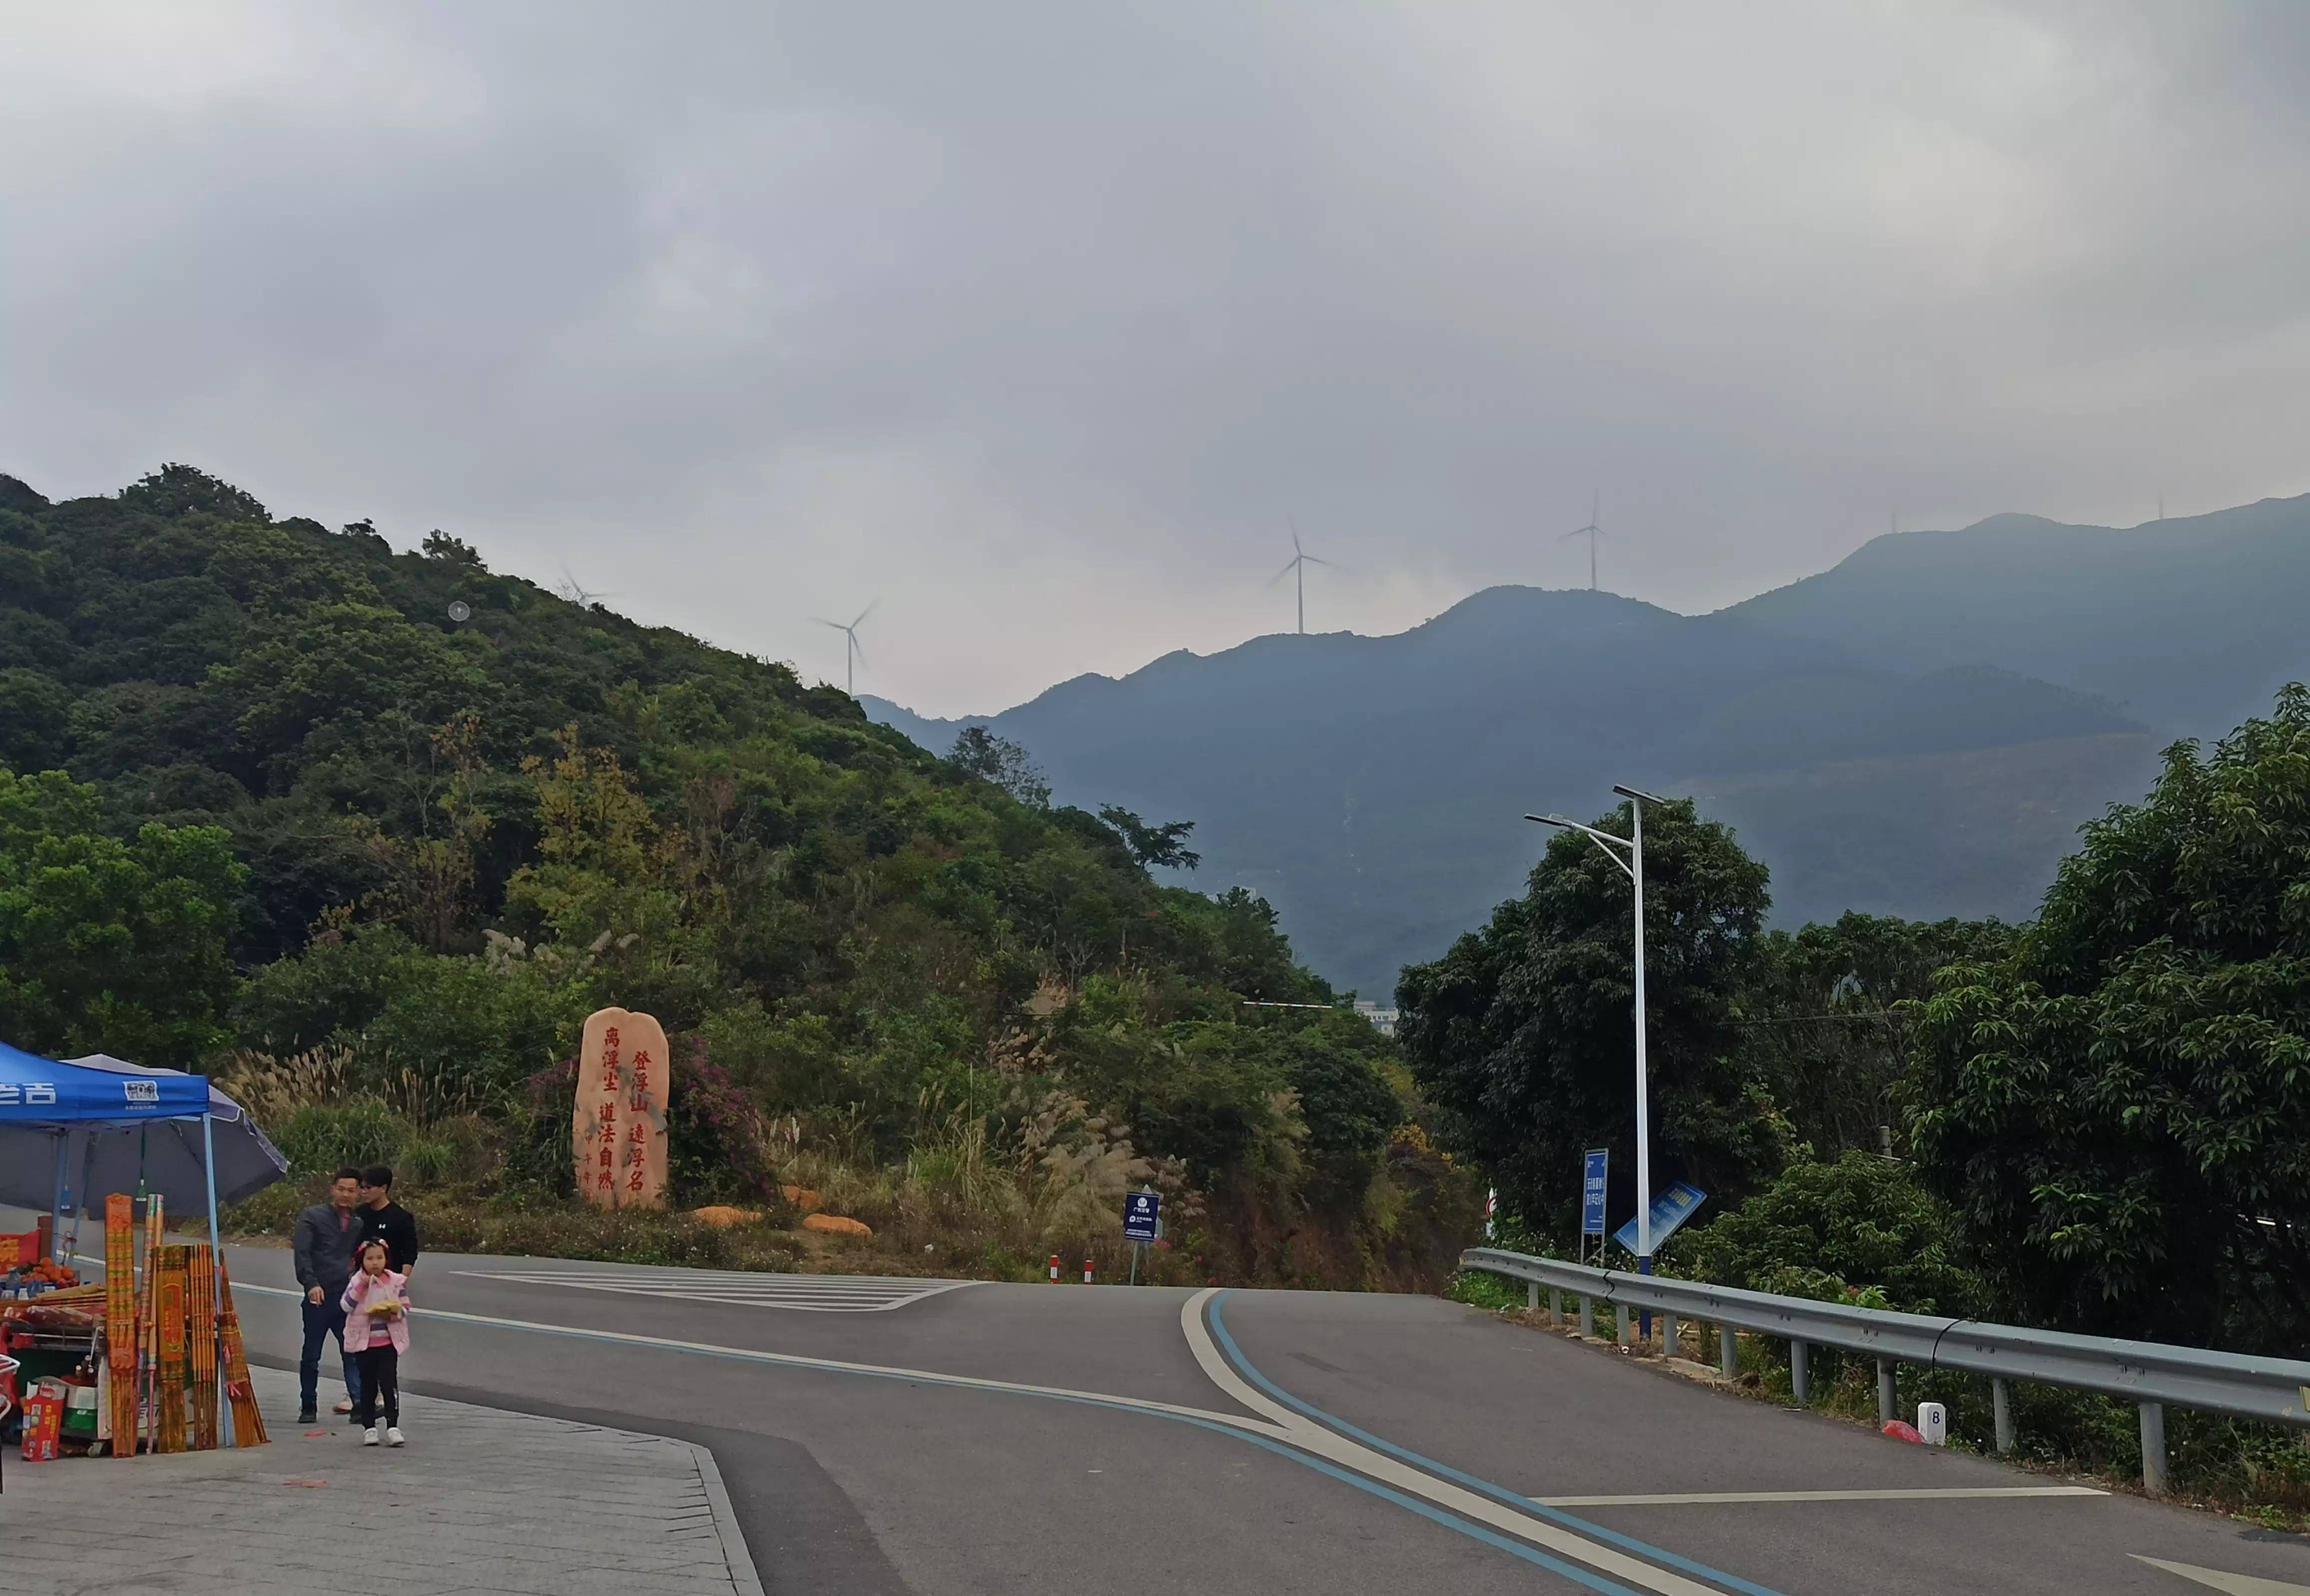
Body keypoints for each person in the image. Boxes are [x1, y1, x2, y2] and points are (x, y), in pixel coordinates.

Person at [291, 1167, 366, 1425]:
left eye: (352, 1190)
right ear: (333, 1189)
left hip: (345, 1297)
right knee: (312, 1353)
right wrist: (310, 1283)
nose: (346, 1195)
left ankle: (359, 1402)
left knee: (352, 1351)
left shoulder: (358, 1224)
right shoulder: (313, 1217)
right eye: (341, 1189)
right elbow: (303, 1253)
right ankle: (308, 1404)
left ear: (358, 1193)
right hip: (318, 1296)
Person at [340, 1238, 409, 1447]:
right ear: (362, 1261)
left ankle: (393, 1426)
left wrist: (394, 1314)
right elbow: (346, 1306)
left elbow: (405, 1306)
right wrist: (361, 1285)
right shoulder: (356, 1282)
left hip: (388, 1343)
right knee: (367, 1386)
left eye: (380, 1258)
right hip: (364, 1345)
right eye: (370, 1259)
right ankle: (369, 1428)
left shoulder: (395, 1281)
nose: (375, 1263)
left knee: (389, 1384)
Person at [356, 1165, 421, 1279]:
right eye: (362, 1188)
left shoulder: (401, 1217)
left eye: (369, 1188)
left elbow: (410, 1252)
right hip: (362, 1280)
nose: (364, 1192)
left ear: (383, 1188)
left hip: (389, 1280)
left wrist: (402, 1279)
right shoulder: (359, 1214)